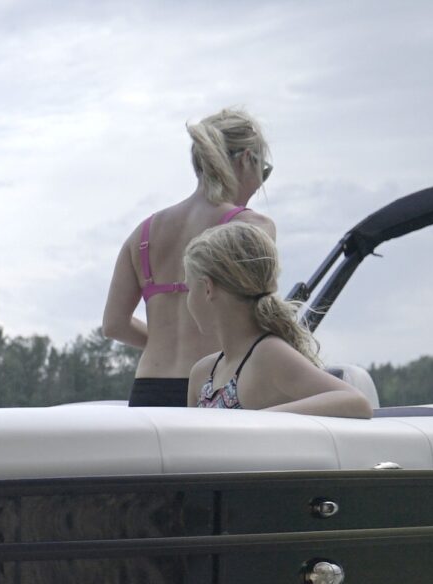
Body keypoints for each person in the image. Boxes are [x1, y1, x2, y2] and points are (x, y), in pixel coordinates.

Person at [103, 108, 278, 407]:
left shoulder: (142, 234)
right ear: (246, 159)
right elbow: (261, 318)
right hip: (213, 387)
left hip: (148, 390)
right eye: (264, 170)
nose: (261, 182)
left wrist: (164, 341)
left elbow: (114, 325)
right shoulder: (252, 228)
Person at [182, 223, 373, 417]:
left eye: (189, 289)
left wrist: (254, 420)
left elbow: (356, 402)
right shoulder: (202, 372)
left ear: (207, 288)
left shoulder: (268, 355)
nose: (187, 301)